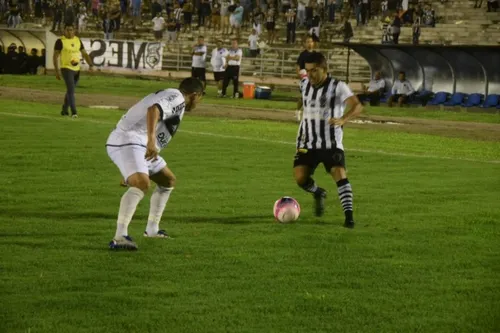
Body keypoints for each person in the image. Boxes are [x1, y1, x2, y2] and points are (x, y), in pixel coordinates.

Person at [106, 78, 204, 250]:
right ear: (195, 95)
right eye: (200, 97)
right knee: (143, 184)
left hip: (138, 145)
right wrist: (151, 140)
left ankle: (152, 229)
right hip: (130, 140)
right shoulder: (178, 97)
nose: (199, 102)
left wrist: (133, 170)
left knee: (167, 181)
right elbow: (153, 110)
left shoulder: (173, 97)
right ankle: (120, 236)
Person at [294, 52, 363, 228]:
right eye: (308, 71)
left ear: (324, 69)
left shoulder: (338, 86)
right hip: (306, 142)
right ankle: (318, 192)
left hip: (330, 142)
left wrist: (343, 120)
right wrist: (297, 109)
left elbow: (357, 105)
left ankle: (349, 217)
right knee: (300, 179)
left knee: (339, 174)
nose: (310, 74)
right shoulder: (304, 84)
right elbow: (303, 97)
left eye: (314, 70)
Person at [53, 24, 94, 118]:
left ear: (74, 31)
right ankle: (74, 112)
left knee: (70, 91)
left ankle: (64, 110)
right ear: (64, 31)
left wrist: (90, 65)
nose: (69, 32)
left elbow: (85, 54)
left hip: (77, 69)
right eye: (67, 30)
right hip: (66, 69)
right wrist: (56, 71)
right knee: (71, 91)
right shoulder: (60, 41)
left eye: (71, 30)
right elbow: (55, 56)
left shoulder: (77, 40)